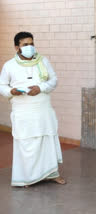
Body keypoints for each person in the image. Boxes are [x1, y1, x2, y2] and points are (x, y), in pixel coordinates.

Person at [0, 32, 65, 187]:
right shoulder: (9, 65)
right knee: (26, 142)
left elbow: (53, 80)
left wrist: (40, 87)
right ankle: (26, 178)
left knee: (46, 139)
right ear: (17, 47)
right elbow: (2, 86)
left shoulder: (43, 61)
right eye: (25, 44)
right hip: (23, 111)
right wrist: (11, 92)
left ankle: (51, 174)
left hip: (43, 109)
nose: (30, 47)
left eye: (31, 43)